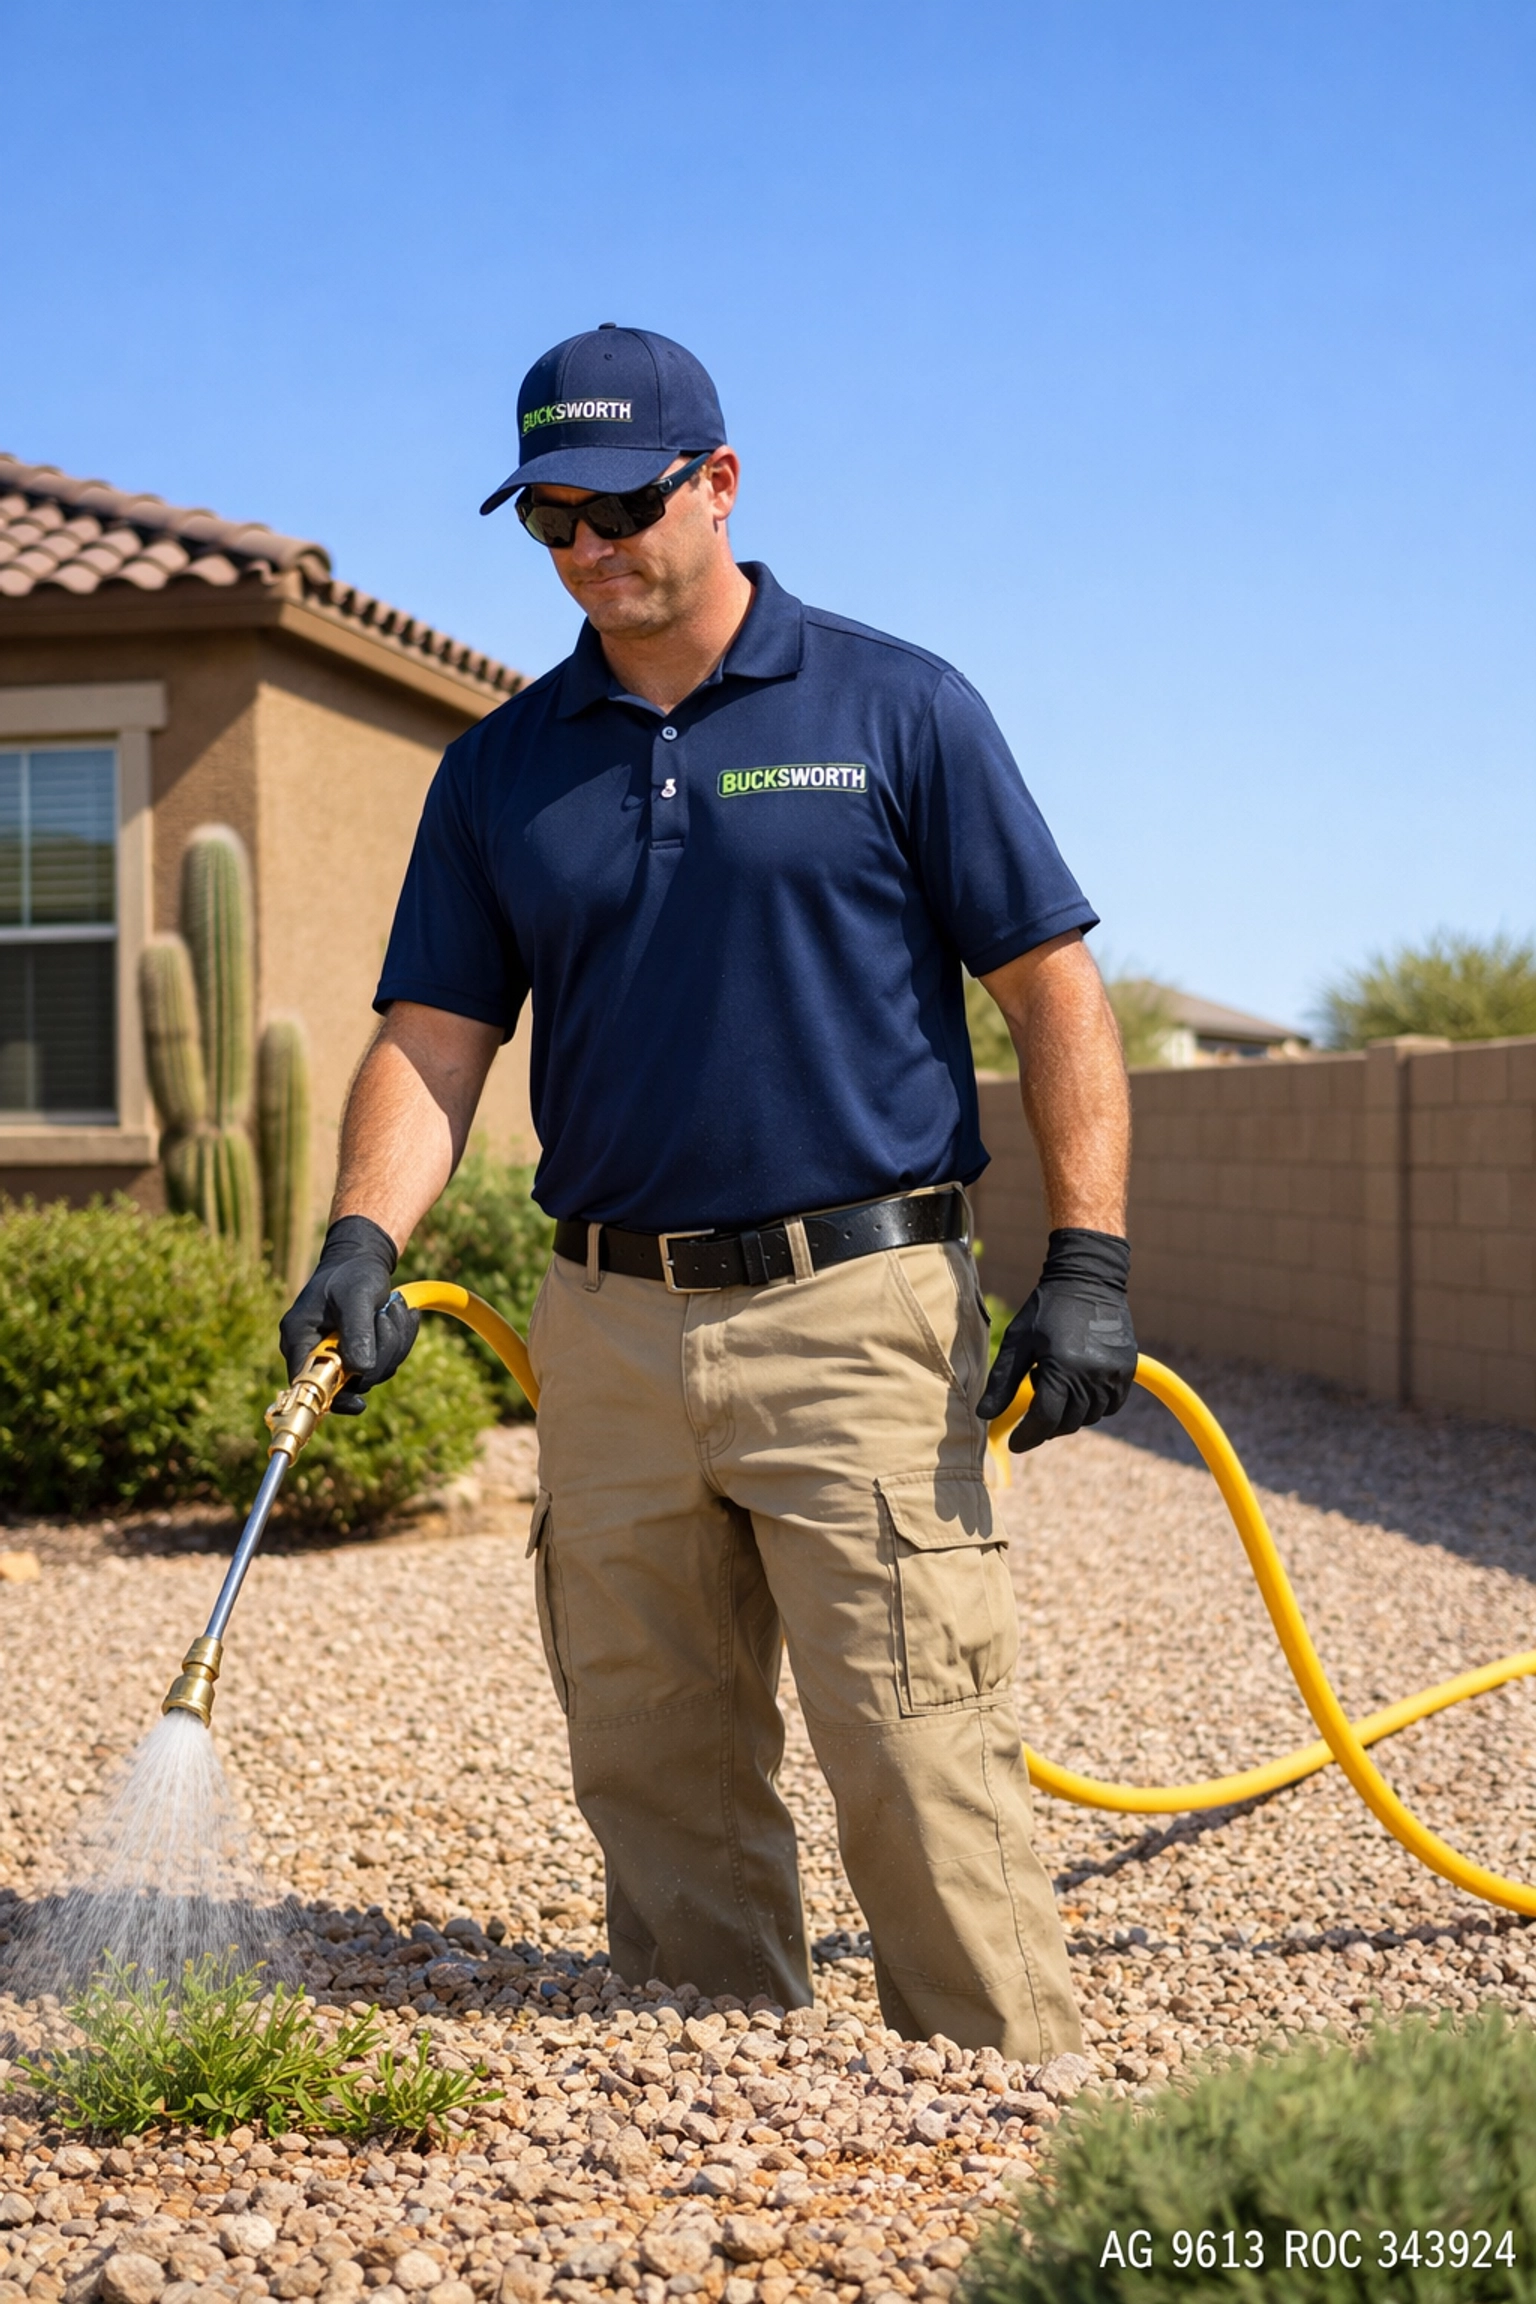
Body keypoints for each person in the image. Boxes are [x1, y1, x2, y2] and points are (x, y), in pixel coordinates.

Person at [281, 325, 1137, 2059]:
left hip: (857, 1301)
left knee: (915, 1743)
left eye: (621, 504)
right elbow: (433, 1040)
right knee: (652, 1752)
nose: (590, 548)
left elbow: (1053, 990)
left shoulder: (898, 707)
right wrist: (362, 1235)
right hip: (605, 1329)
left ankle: (1002, 2103)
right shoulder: (506, 768)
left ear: (720, 483)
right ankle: (707, 2108)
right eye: (549, 521)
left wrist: (1091, 1258)